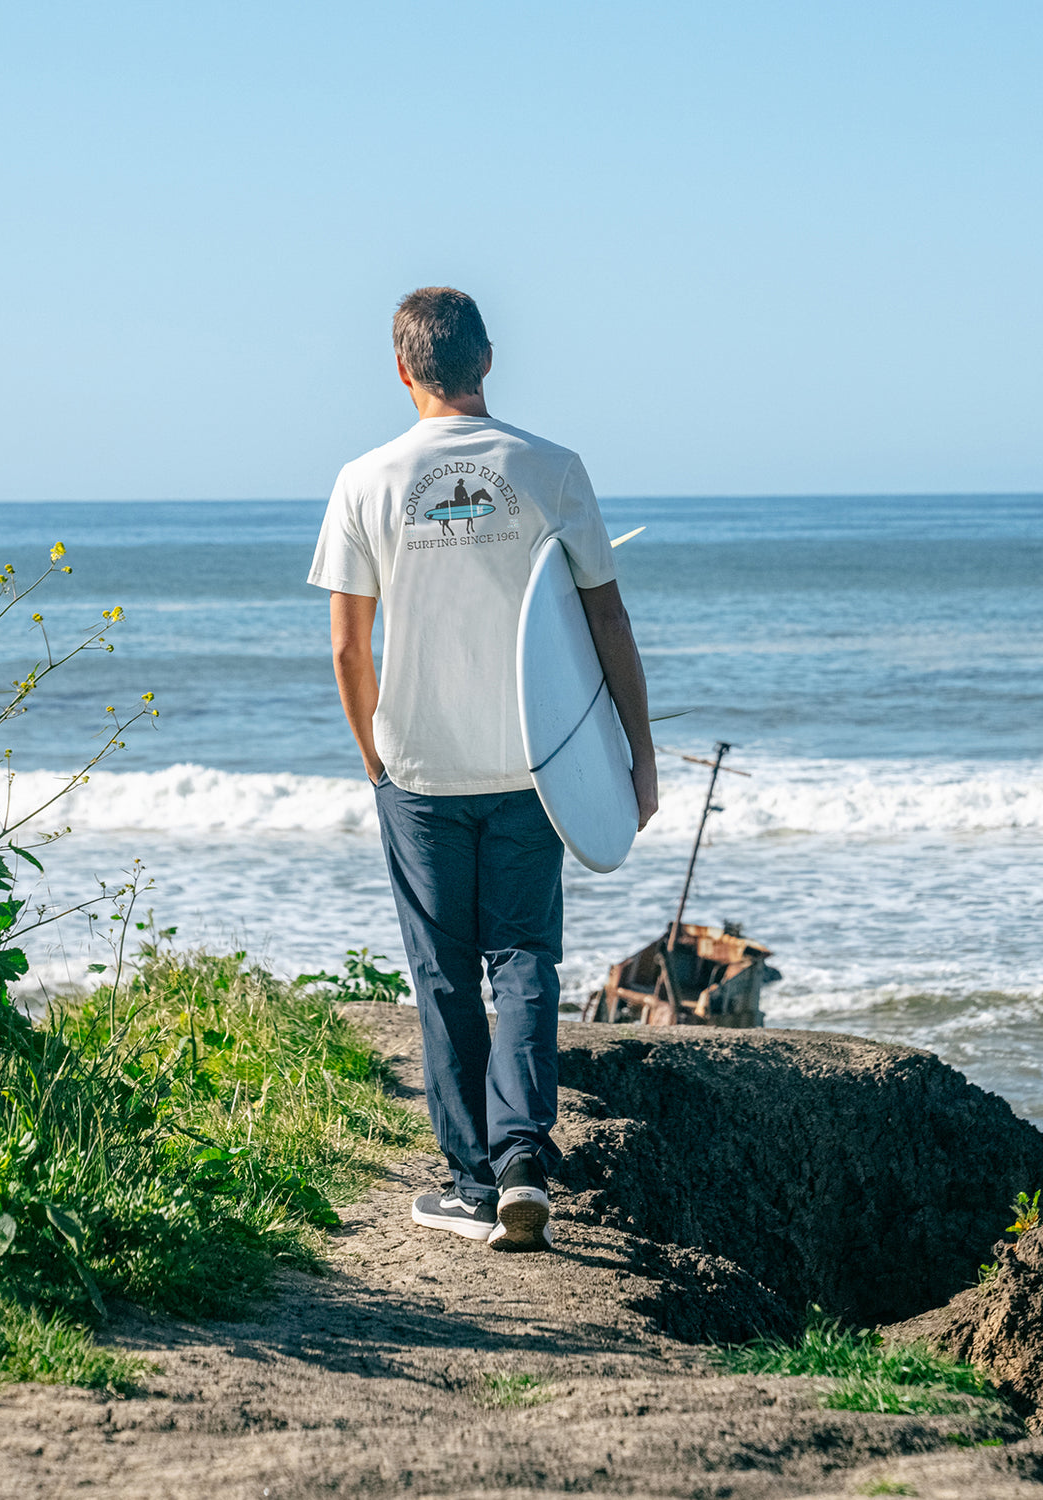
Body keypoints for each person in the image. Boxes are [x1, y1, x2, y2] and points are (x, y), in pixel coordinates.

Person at [308, 287, 657, 1251]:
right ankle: (522, 1163)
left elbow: (349, 648)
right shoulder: (551, 469)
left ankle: (471, 1184)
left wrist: (375, 756)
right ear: (488, 359)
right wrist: (636, 753)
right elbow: (604, 620)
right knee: (525, 959)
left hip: (418, 769)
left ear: (401, 367)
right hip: (531, 766)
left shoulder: (365, 480)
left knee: (445, 974)